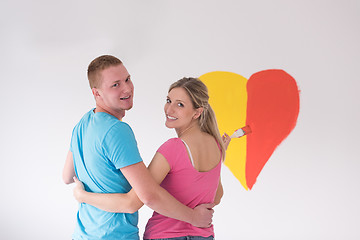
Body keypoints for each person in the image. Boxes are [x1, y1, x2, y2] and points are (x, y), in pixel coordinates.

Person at [62, 55, 215, 240]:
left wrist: (83, 193)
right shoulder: (117, 131)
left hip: (83, 234)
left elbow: (67, 176)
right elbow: (142, 198)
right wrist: (193, 217)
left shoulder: (82, 124)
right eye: (115, 85)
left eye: (127, 79)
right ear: (97, 93)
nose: (127, 88)